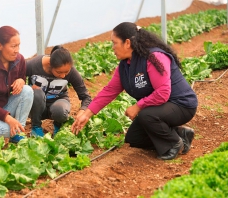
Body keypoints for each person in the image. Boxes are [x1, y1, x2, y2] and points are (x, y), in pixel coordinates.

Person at [71, 22, 198, 160]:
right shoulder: (125, 65)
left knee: (146, 115)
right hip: (160, 108)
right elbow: (109, 91)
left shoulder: (154, 57)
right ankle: (180, 133)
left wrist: (138, 106)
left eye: (114, 43)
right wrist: (87, 114)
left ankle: (174, 143)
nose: (112, 48)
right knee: (134, 138)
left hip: (181, 105)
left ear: (127, 43)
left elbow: (163, 93)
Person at [26, 45, 91, 137]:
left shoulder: (71, 71)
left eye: (66, 72)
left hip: (57, 102)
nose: (63, 76)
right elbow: (15, 78)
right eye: (59, 72)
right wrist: (27, 88)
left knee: (60, 110)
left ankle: (58, 125)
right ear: (49, 64)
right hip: (36, 107)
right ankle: (36, 127)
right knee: (37, 93)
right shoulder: (33, 65)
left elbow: (86, 96)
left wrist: (83, 110)